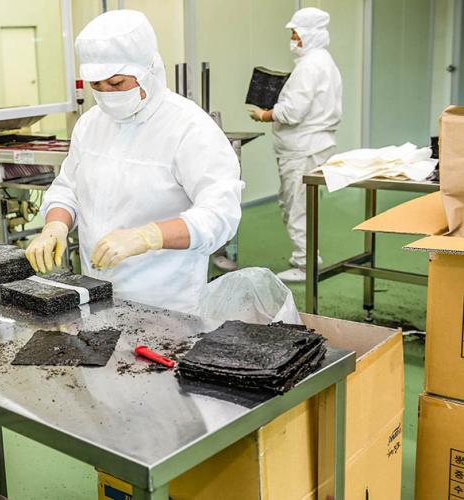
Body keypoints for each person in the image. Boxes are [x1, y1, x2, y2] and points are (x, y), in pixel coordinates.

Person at [25, 9, 243, 315]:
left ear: (148, 71)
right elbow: (68, 188)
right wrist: (55, 226)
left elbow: (220, 213)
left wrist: (149, 236)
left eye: (116, 83)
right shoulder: (90, 125)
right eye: (96, 85)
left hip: (166, 304)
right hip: (95, 294)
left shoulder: (189, 127)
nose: (106, 94)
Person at [247, 7, 342, 283]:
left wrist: (265, 114)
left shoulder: (311, 65)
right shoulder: (323, 62)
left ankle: (305, 264)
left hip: (303, 148)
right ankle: (304, 257)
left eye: (295, 34)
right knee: (298, 203)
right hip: (311, 145)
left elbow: (293, 111)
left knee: (297, 206)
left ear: (309, 34)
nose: (293, 40)